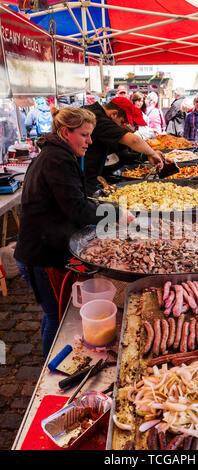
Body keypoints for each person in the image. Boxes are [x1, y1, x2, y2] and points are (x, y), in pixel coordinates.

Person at [14, 106, 121, 358]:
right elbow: (77, 209)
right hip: (39, 256)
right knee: (55, 316)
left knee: (52, 312)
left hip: (44, 249)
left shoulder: (56, 154)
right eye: (84, 135)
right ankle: (50, 364)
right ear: (65, 132)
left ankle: (49, 353)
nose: (90, 141)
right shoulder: (57, 159)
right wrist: (116, 215)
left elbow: (74, 199)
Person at [83, 96, 166, 195]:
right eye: (123, 122)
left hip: (92, 174)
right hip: (83, 177)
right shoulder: (98, 117)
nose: (124, 127)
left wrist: (147, 155)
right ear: (114, 114)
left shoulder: (97, 114)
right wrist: (151, 153)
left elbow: (122, 153)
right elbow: (134, 141)